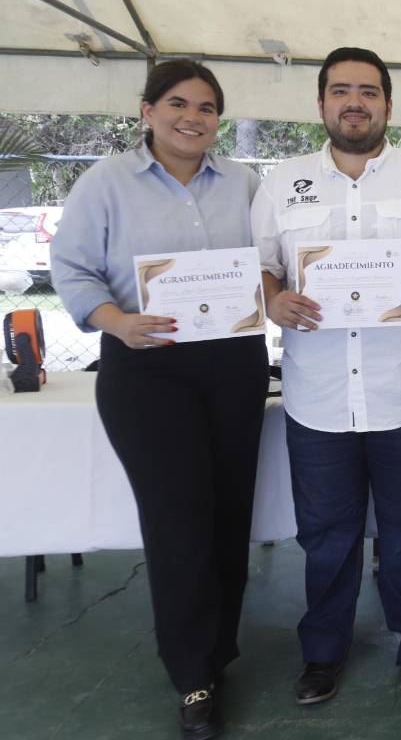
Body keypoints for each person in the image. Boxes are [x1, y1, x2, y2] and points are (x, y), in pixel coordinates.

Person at [251, 47, 401, 702]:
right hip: (318, 397)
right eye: (340, 91)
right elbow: (264, 265)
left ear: (387, 103)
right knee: (326, 538)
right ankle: (323, 653)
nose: (353, 102)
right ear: (322, 103)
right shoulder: (282, 182)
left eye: (367, 91)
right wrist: (272, 298)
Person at [50, 60, 267, 740]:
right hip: (146, 368)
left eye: (206, 108)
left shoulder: (245, 182)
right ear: (147, 111)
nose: (192, 118)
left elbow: (274, 258)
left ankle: (217, 648)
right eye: (178, 103)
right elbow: (72, 267)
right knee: (177, 521)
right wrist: (115, 321)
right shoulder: (106, 182)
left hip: (233, 362)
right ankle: (193, 675)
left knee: (229, 513)